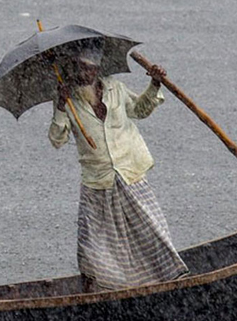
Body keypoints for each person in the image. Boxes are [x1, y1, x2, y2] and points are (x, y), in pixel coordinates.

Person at [48, 43, 188, 292]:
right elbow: (57, 140)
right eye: (81, 68)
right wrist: (60, 106)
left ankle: (168, 279)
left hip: (130, 172)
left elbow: (140, 110)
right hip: (97, 182)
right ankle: (103, 289)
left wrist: (154, 84)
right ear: (74, 68)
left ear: (97, 69)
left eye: (90, 69)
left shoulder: (116, 89)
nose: (85, 74)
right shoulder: (68, 99)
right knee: (94, 247)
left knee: (151, 230)